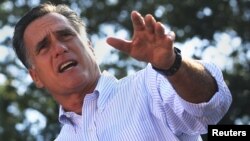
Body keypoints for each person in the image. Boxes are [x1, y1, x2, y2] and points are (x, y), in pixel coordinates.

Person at [12, 3, 232, 141]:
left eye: (66, 35)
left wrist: (172, 65)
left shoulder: (151, 84)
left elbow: (211, 108)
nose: (59, 48)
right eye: (44, 47)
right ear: (35, 76)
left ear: (89, 46)